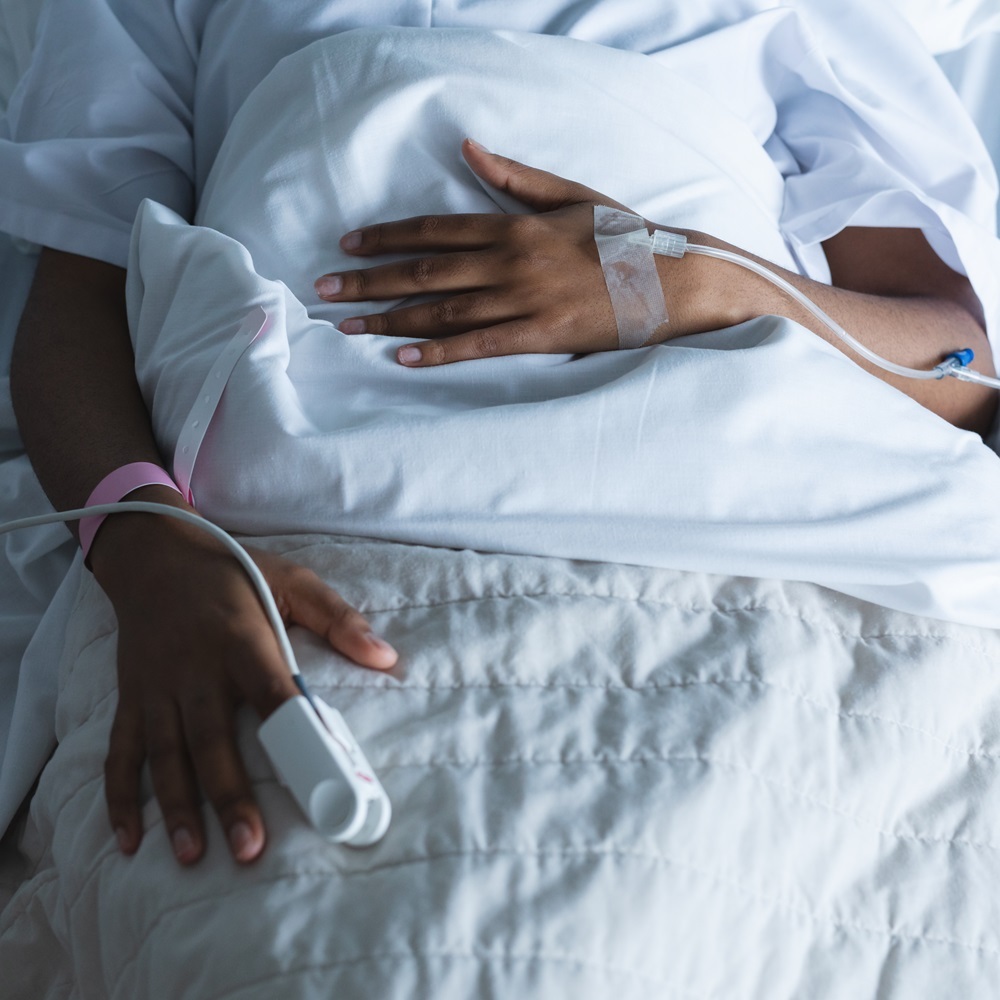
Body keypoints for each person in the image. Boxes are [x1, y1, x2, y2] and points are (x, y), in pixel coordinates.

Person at [3, 0, 998, 870]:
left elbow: (957, 367)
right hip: (292, 524)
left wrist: (682, 281)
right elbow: (74, 304)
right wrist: (141, 545)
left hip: (733, 484)